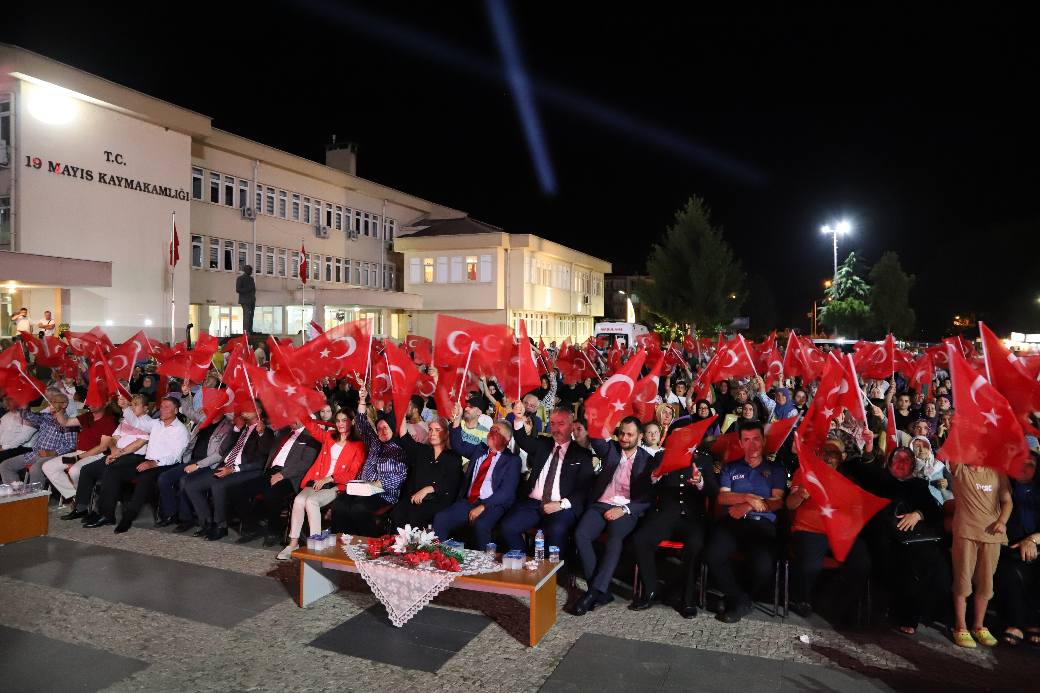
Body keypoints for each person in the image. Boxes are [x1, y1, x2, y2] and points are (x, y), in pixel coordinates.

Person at [572, 417, 659, 616]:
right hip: (601, 504)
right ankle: (600, 590)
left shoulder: (648, 460)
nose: (624, 438)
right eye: (622, 433)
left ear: (640, 436)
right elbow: (596, 437)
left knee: (615, 539)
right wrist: (599, 414)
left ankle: (593, 592)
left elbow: (648, 498)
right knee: (581, 535)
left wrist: (625, 509)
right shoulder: (610, 449)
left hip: (626, 509)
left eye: (630, 434)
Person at [704, 419, 786, 623]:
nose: (752, 444)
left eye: (756, 439)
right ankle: (739, 598)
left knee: (763, 567)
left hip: (762, 524)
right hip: (732, 521)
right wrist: (748, 497)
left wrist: (748, 505)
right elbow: (723, 498)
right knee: (712, 555)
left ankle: (740, 597)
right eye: (747, 440)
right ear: (740, 443)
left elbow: (777, 502)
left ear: (764, 441)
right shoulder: (730, 468)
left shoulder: (775, 469)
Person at [786, 438, 872, 621]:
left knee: (862, 561)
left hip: (839, 534)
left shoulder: (848, 481)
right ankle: (802, 599)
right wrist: (801, 494)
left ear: (843, 457)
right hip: (809, 530)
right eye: (825, 451)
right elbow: (789, 505)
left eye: (834, 454)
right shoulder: (804, 473)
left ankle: (839, 604)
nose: (828, 457)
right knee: (810, 565)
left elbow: (857, 514)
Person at [630, 448, 719, 617]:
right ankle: (650, 591)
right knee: (640, 539)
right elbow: (646, 487)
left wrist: (700, 482)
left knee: (695, 545)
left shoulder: (704, 459)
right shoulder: (662, 457)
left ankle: (688, 599)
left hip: (692, 516)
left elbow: (714, 491)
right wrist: (655, 476)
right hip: (665, 514)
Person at [500, 402, 594, 557]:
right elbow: (522, 439)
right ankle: (524, 564)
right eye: (552, 423)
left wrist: (561, 504)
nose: (555, 428)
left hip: (562, 506)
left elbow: (584, 488)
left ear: (571, 426)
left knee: (556, 531)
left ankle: (551, 574)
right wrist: (518, 418)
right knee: (507, 527)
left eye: (561, 424)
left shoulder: (582, 455)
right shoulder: (543, 444)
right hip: (534, 504)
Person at [84, 395, 189, 533]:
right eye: (161, 406)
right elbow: (136, 423)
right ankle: (106, 514)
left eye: (167, 407)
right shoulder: (156, 423)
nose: (162, 410)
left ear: (176, 410)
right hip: (147, 461)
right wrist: (125, 407)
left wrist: (154, 463)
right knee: (113, 470)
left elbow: (175, 457)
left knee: (144, 478)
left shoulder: (180, 430)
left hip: (165, 465)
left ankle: (127, 519)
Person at [276, 409, 366, 560]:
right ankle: (293, 543)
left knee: (311, 502)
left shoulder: (358, 445)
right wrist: (301, 407)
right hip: (317, 480)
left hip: (337, 484)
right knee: (298, 500)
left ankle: (316, 545)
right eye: (337, 421)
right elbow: (312, 427)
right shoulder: (330, 436)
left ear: (352, 421)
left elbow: (352, 474)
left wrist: (330, 478)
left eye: (344, 420)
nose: (340, 424)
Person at [432, 405, 521, 549]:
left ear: (507, 439)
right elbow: (457, 444)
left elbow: (506, 492)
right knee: (441, 518)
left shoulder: (512, 460)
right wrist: (457, 419)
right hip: (469, 501)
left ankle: (486, 565)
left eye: (497, 432)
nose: (492, 433)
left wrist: (483, 506)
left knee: (481, 525)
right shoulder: (479, 450)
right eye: (491, 430)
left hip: (493, 504)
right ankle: (440, 558)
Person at [181, 408, 275, 540]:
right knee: (191, 485)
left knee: (218, 485)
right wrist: (236, 429)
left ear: (258, 411)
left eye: (248, 408)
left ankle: (221, 526)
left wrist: (261, 433)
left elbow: (262, 460)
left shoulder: (266, 432)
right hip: (225, 466)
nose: (243, 411)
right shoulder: (241, 429)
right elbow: (224, 449)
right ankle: (206, 522)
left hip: (246, 471)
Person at [948, 457, 1012, 648]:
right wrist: (955, 428)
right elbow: (953, 448)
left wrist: (1002, 521)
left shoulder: (997, 473)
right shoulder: (960, 470)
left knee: (986, 582)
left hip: (992, 537)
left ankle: (979, 626)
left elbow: (1007, 501)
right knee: (962, 580)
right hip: (965, 534)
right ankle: (960, 627)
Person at [329, 388, 408, 537]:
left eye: (385, 428)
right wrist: (363, 401)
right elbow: (362, 423)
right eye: (379, 428)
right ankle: (341, 543)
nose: (382, 431)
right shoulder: (375, 442)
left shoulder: (400, 449)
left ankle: (369, 543)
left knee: (358, 508)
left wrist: (375, 484)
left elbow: (399, 478)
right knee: (339, 505)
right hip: (362, 489)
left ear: (392, 428)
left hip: (384, 493)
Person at [162, 413, 237, 531]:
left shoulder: (227, 425)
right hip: (192, 459)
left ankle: (188, 519)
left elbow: (218, 455)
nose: (210, 406)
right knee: (165, 477)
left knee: (185, 481)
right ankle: (171, 514)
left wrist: (197, 465)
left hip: (209, 463)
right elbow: (188, 410)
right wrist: (186, 395)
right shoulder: (204, 420)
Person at [995, 453, 1040, 646]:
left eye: (1029, 465)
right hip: (1008, 544)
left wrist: (1032, 539)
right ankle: (1015, 624)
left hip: (1036, 541)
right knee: (1010, 570)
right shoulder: (1004, 487)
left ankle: (1034, 622)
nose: (1023, 468)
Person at [391, 414, 463, 529]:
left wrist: (427, 489)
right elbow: (404, 437)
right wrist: (402, 413)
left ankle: (417, 546)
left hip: (438, 500)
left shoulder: (453, 457)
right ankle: (397, 546)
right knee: (398, 512)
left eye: (437, 430)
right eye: (430, 429)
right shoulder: (422, 451)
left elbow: (451, 483)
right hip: (415, 499)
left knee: (415, 516)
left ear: (446, 433)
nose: (432, 433)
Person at [41, 402, 118, 503]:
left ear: (104, 404)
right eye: (90, 401)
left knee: (74, 470)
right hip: (78, 454)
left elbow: (102, 448)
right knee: (48, 466)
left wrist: (77, 458)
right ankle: (76, 496)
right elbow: (66, 422)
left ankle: (82, 499)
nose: (91, 404)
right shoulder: (87, 416)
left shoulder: (109, 420)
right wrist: (58, 411)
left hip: (96, 456)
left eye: (95, 401)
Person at [0, 390, 78, 485]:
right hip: (36, 453)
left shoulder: (69, 421)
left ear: (64, 405)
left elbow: (71, 445)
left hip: (53, 455)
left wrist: (53, 452)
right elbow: (29, 416)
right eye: (50, 402)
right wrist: (20, 406)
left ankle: (35, 497)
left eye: (55, 402)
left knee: (35, 468)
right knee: (5, 465)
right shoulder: (46, 417)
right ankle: (17, 493)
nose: (51, 404)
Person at [0, 395, 37, 464]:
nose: (7, 408)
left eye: (8, 405)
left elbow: (23, 438)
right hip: (5, 445)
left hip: (21, 447)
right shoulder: (7, 415)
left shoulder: (30, 415)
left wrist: (4, 448)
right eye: (6, 406)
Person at [236, 265, 256, 335]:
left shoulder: (251, 279)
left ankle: (250, 329)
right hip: (244, 300)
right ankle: (245, 331)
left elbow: (253, 289)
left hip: (251, 300)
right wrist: (248, 290)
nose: (251, 272)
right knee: (247, 315)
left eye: (251, 270)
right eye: (250, 270)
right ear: (246, 270)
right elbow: (238, 289)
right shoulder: (240, 278)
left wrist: (253, 297)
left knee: (251, 315)